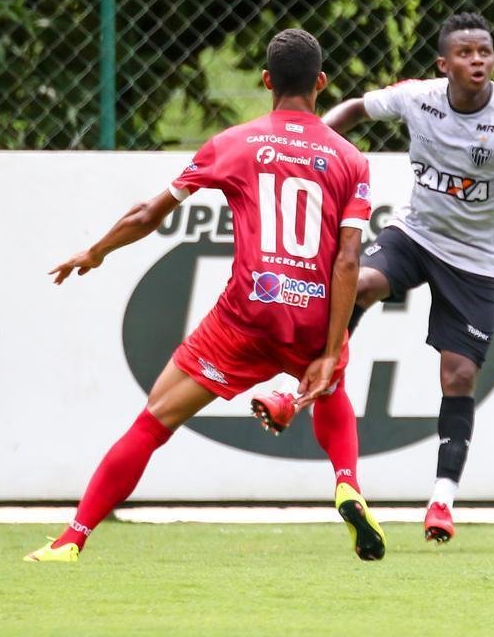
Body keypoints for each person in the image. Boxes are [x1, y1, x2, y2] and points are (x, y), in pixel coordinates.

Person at [25, 29, 385, 563]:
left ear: (266, 82)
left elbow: (150, 213)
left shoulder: (234, 144)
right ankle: (347, 482)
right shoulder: (351, 159)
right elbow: (349, 261)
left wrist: (96, 251)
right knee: (331, 386)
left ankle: (71, 540)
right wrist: (331, 351)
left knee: (154, 420)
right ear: (322, 84)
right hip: (312, 315)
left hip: (245, 315)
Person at [313, 12, 494, 543]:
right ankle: (318, 373)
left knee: (459, 374)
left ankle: (441, 502)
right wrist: (313, 143)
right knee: (363, 282)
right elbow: (353, 108)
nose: (477, 61)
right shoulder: (417, 97)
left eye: (484, 52)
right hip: (415, 234)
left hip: (473, 258)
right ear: (444, 64)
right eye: (465, 54)